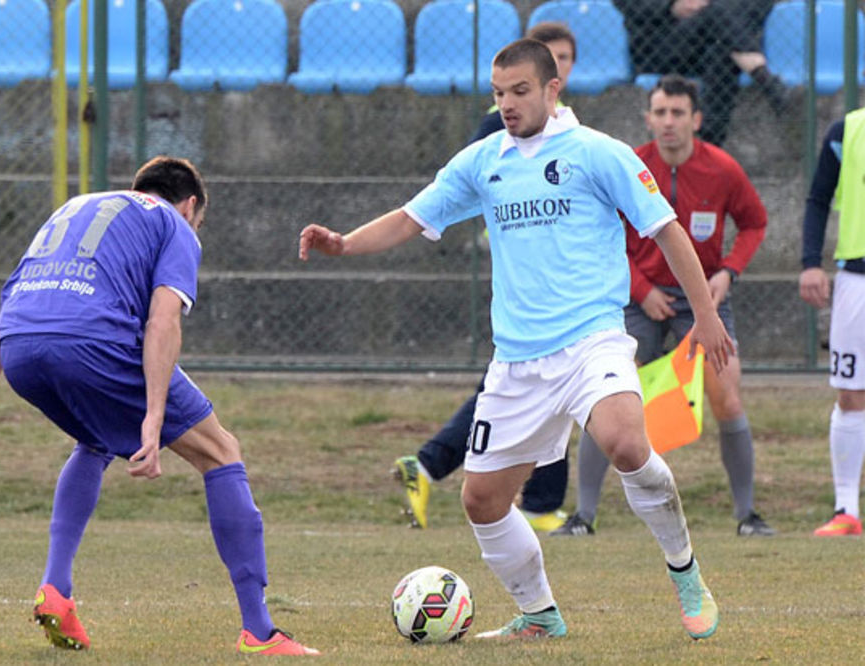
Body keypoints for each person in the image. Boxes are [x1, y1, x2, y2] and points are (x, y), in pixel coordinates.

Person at [302, 38, 732, 641]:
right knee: (481, 500)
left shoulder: (596, 153)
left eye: (520, 91)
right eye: (499, 93)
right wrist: (345, 242)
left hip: (592, 340)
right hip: (518, 361)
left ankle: (686, 574)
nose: (507, 103)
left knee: (625, 443)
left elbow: (665, 229)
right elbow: (410, 216)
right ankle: (539, 614)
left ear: (553, 90)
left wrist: (707, 319)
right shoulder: (482, 161)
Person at [0, 157, 320, 657]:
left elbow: (6, 331)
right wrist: (152, 418)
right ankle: (259, 631)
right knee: (220, 451)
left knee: (95, 438)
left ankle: (57, 589)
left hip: (21, 350)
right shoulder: (173, 223)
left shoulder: (76, 208)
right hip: (90, 343)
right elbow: (163, 321)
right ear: (191, 205)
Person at [552, 74, 775, 538]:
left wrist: (726, 272)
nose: (668, 122)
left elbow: (755, 222)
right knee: (604, 398)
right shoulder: (629, 164)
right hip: (640, 298)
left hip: (702, 302)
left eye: (678, 113)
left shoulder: (723, 169)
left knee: (726, 395)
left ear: (696, 119)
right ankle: (583, 517)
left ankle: (748, 517)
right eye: (660, 113)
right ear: (648, 119)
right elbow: (603, 236)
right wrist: (641, 289)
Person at [392, 21, 578, 532]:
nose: (558, 65)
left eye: (564, 58)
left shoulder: (577, 136)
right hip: (525, 292)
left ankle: (443, 469)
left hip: (564, 292)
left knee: (550, 392)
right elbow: (468, 185)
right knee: (534, 391)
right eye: (504, 91)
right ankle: (534, 503)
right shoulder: (499, 129)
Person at [799, 106, 865, 537]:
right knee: (850, 393)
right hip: (857, 280)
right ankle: (846, 510)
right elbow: (818, 198)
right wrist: (809, 263)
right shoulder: (847, 131)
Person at [613, 0, 790, 147]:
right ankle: (764, 77)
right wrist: (670, 5)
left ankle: (709, 140)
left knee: (720, 50)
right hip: (657, 48)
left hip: (706, 44)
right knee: (717, 16)